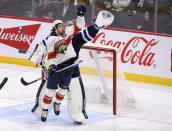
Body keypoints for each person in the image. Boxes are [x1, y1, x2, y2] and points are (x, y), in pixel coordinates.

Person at [27, 6, 114, 123]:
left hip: (71, 69)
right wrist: (39, 60)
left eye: (66, 26)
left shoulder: (73, 37)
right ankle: (41, 109)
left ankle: (76, 111)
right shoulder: (51, 40)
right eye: (61, 26)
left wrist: (94, 25)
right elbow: (40, 52)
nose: (65, 28)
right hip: (56, 68)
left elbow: (85, 32)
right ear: (55, 29)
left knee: (75, 91)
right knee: (48, 90)